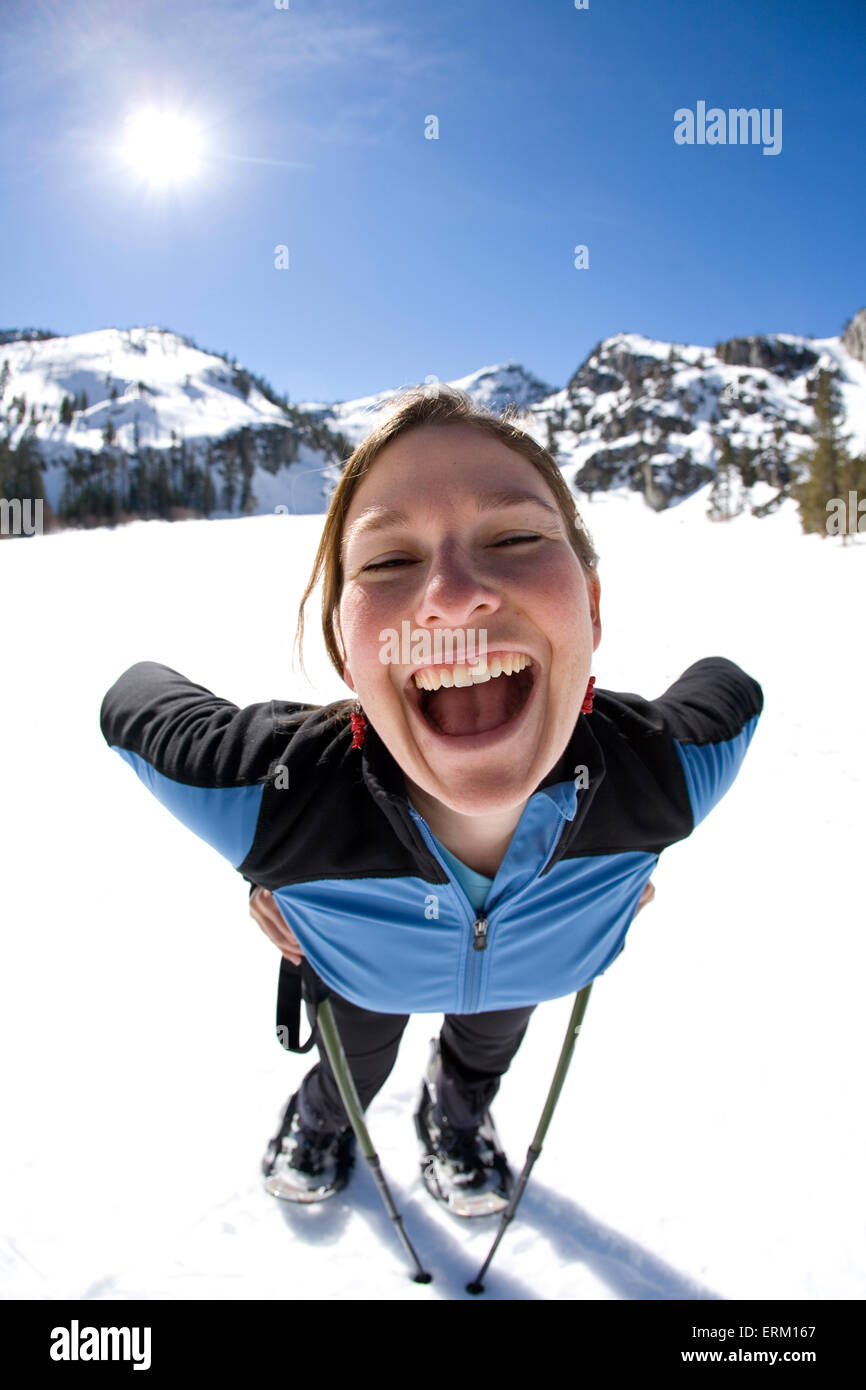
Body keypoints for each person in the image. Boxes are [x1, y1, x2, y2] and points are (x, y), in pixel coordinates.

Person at [99, 384, 763, 1217]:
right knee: (353, 1060)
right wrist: (278, 816)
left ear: (590, 607)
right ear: (347, 648)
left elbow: (732, 687)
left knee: (484, 1055)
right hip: (361, 981)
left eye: (517, 536)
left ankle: (455, 1120)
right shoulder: (275, 797)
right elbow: (135, 696)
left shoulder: (659, 776)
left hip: (529, 973)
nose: (453, 597)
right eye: (388, 560)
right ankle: (323, 1121)